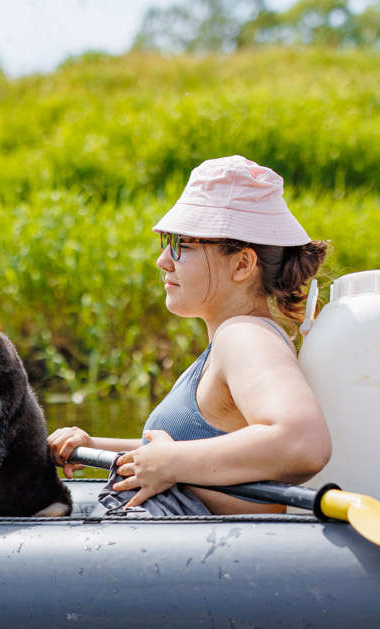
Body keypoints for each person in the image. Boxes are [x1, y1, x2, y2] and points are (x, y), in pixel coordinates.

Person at [47, 155, 332, 515]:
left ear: (242, 264)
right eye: (167, 242)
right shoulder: (228, 341)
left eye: (182, 244)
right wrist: (94, 445)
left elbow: (303, 443)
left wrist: (175, 460)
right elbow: (196, 450)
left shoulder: (245, 336)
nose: (163, 260)